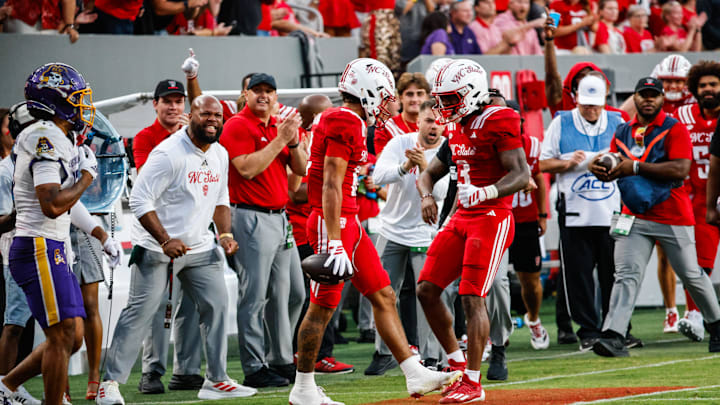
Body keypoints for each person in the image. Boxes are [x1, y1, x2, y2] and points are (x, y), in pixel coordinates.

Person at [289, 58, 461, 405]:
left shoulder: (343, 119)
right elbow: (332, 184)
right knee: (322, 307)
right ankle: (303, 387)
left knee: (384, 295)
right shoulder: (343, 120)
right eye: (384, 96)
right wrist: (335, 240)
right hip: (333, 223)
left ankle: (414, 373)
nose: (387, 105)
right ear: (366, 92)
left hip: (346, 221)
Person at [97, 95, 255, 403]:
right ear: (191, 116)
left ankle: (216, 380)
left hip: (200, 248)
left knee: (218, 306)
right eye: (205, 114)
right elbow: (141, 200)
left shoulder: (220, 153)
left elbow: (221, 199)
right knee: (140, 313)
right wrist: (164, 240)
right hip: (157, 248)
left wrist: (224, 233)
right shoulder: (168, 153)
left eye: (218, 116)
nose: (212, 120)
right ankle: (110, 383)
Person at [0, 63, 118, 405]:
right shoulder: (44, 136)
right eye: (77, 97)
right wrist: (85, 177)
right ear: (55, 99)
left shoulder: (60, 136)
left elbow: (66, 205)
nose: (84, 105)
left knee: (74, 335)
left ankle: (7, 385)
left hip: (51, 245)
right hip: (37, 245)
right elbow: (51, 203)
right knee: (64, 334)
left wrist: (102, 235)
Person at [416, 59, 529, 403]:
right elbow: (429, 172)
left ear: (472, 92)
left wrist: (488, 191)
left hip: (492, 217)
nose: (443, 107)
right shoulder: (457, 125)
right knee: (426, 289)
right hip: (462, 216)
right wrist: (426, 197)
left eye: (450, 99)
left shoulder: (500, 118)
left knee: (471, 296)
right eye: (441, 99)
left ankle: (473, 381)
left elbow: (521, 174)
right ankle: (456, 365)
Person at [589, 77, 720, 358]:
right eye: (643, 95)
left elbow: (681, 169)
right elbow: (614, 160)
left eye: (653, 95)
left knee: (692, 275)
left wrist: (634, 166)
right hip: (633, 214)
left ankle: (717, 325)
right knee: (626, 275)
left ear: (662, 99)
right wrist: (599, 167)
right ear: (634, 97)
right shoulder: (624, 130)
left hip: (672, 213)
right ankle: (614, 334)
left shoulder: (674, 128)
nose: (648, 100)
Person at [220, 73, 307, 388]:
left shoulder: (276, 126)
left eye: (269, 91)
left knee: (293, 293)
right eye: (257, 91)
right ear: (245, 93)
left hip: (280, 217)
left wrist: (294, 141)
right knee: (254, 296)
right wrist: (282, 140)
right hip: (250, 216)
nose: (264, 96)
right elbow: (246, 168)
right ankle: (255, 366)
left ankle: (281, 358)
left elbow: (300, 168)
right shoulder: (237, 125)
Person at [539, 75, 624, 352]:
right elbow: (542, 163)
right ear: (576, 99)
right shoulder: (561, 122)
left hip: (612, 210)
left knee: (616, 272)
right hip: (575, 210)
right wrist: (567, 163)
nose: (592, 110)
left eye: (596, 105)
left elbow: (633, 157)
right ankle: (587, 329)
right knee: (578, 275)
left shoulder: (618, 121)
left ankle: (618, 327)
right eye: (587, 105)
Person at [132, 79, 205, 394]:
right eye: (168, 101)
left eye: (179, 101)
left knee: (189, 304)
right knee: (157, 305)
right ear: (156, 104)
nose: (175, 107)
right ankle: (152, 371)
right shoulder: (145, 138)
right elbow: (146, 181)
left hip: (191, 232)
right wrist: (178, 140)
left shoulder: (196, 137)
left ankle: (187, 370)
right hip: (156, 235)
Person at [370, 100, 448, 372]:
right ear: (418, 123)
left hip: (427, 234)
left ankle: (431, 357)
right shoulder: (399, 142)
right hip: (391, 230)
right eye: (428, 121)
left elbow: (442, 195)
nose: (434, 126)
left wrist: (426, 166)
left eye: (438, 122)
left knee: (427, 294)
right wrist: (404, 167)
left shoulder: (447, 150)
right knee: (382, 292)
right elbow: (377, 176)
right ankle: (383, 352)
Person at [288, 94, 355, 376]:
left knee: (328, 294)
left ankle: (320, 353)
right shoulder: (304, 142)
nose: (332, 117)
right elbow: (296, 191)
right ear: (310, 118)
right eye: (323, 114)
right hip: (308, 226)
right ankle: (312, 356)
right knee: (314, 296)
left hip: (331, 223)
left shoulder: (329, 138)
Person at [675, 61, 720, 342]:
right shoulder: (682, 116)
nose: (707, 89)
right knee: (697, 265)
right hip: (700, 201)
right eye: (702, 85)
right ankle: (694, 315)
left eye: (713, 84)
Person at [0, 102, 42, 405]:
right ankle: (5, 389)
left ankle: (13, 388)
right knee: (14, 324)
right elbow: (5, 218)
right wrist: (24, 212)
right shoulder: (5, 170)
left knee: (34, 326)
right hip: (16, 249)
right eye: (11, 126)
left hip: (41, 246)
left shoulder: (31, 160)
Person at [510, 108, 549, 351]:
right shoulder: (487, 142)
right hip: (497, 217)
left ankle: (533, 319)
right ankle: (493, 331)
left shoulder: (532, 145)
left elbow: (539, 178)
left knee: (530, 279)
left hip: (525, 219)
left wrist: (542, 215)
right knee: (491, 280)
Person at [374, 73, 431, 156]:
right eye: (409, 94)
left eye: (419, 94)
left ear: (427, 97)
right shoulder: (386, 128)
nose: (415, 99)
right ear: (400, 97)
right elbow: (382, 164)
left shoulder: (437, 125)